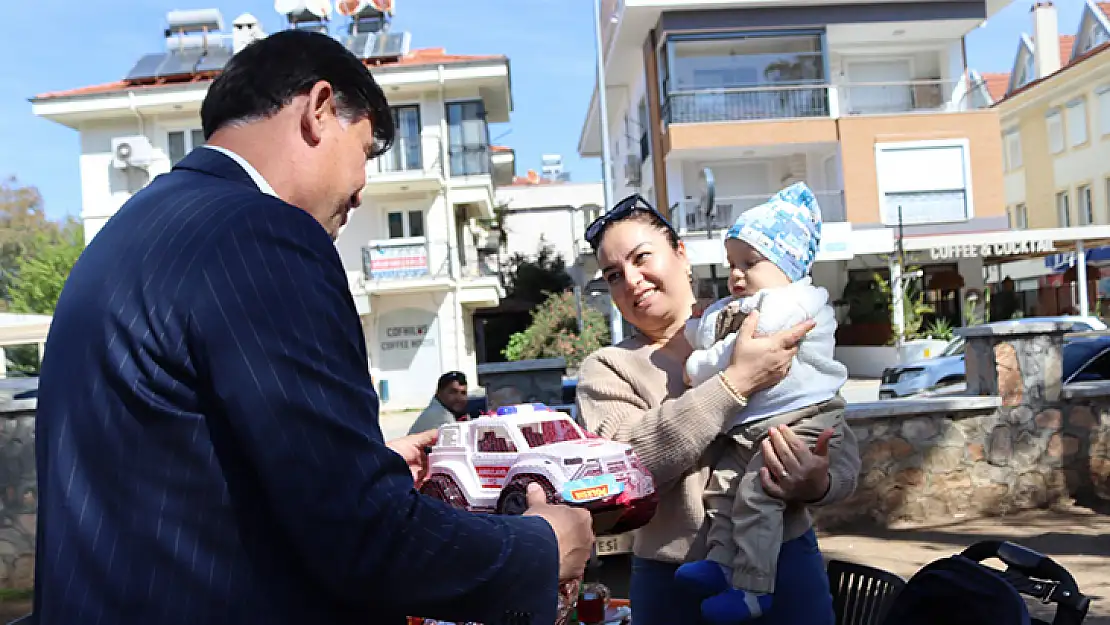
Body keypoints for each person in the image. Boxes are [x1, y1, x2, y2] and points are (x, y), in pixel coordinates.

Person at [32, 30, 593, 625]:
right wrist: (538, 548)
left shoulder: (129, 234)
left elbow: (180, 474)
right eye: (366, 149)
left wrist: (361, 461)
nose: (360, 190)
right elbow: (362, 536)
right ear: (320, 109)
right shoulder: (262, 236)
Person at [576, 194, 861, 625]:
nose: (632, 280)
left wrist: (820, 482)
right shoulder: (608, 369)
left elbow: (830, 430)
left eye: (641, 258)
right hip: (674, 580)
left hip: (786, 562)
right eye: (614, 275)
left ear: (681, 254)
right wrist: (736, 383)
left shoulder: (767, 318)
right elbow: (626, 467)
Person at [674, 182, 854, 624]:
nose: (735, 275)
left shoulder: (789, 306)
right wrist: (696, 327)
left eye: (749, 263)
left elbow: (737, 351)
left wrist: (698, 364)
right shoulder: (748, 301)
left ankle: (753, 589)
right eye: (731, 264)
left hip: (799, 419)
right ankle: (720, 562)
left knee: (757, 494)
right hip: (757, 427)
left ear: (788, 265)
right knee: (723, 487)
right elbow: (714, 330)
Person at [408, 371, 470, 435]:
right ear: (439, 392)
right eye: (453, 392)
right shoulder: (441, 417)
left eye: (463, 393)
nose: (459, 398)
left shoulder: (448, 411)